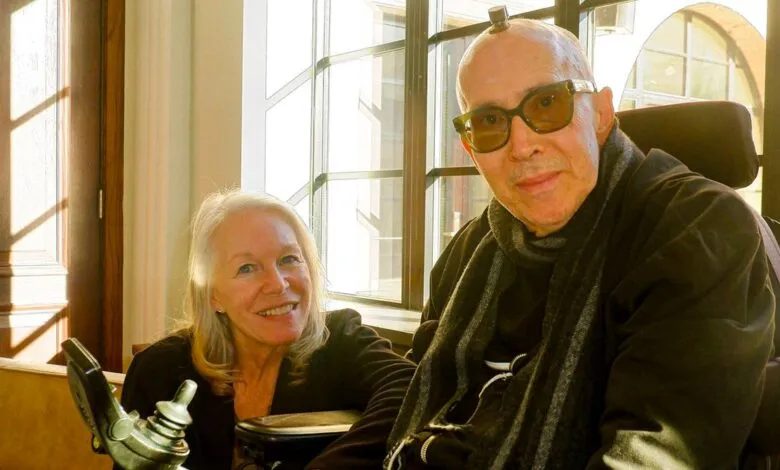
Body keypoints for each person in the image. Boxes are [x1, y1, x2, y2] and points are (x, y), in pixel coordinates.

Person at [384, 15, 775, 470]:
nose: (522, 144)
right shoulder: (471, 249)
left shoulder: (695, 228)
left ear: (602, 115)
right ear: (472, 150)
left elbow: (654, 455)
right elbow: (413, 391)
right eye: (489, 122)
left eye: (548, 103)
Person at [121, 190, 416, 469]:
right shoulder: (160, 370)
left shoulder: (341, 341)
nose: (278, 284)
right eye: (247, 268)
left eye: (289, 259)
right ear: (213, 294)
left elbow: (413, 392)